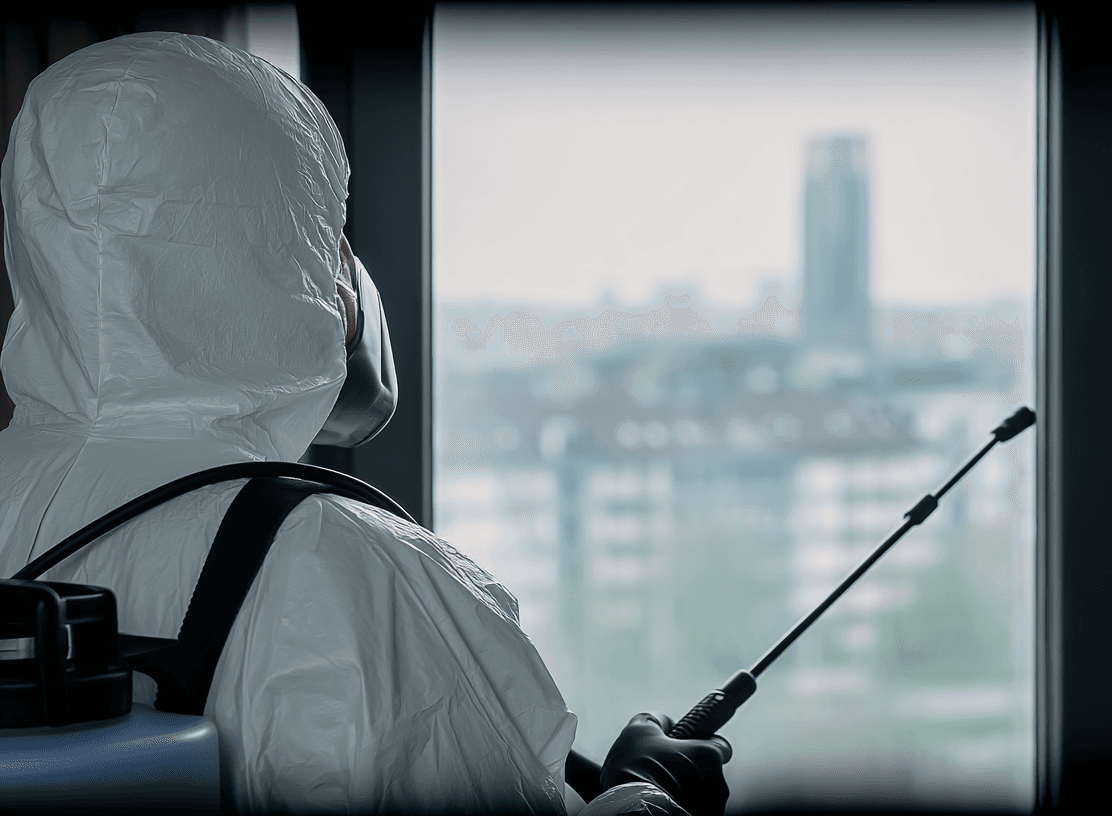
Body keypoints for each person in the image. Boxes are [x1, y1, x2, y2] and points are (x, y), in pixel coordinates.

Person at [0, 32, 730, 816]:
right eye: (327, 232)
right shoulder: (350, 569)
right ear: (281, 252)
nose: (347, 272)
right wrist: (649, 796)